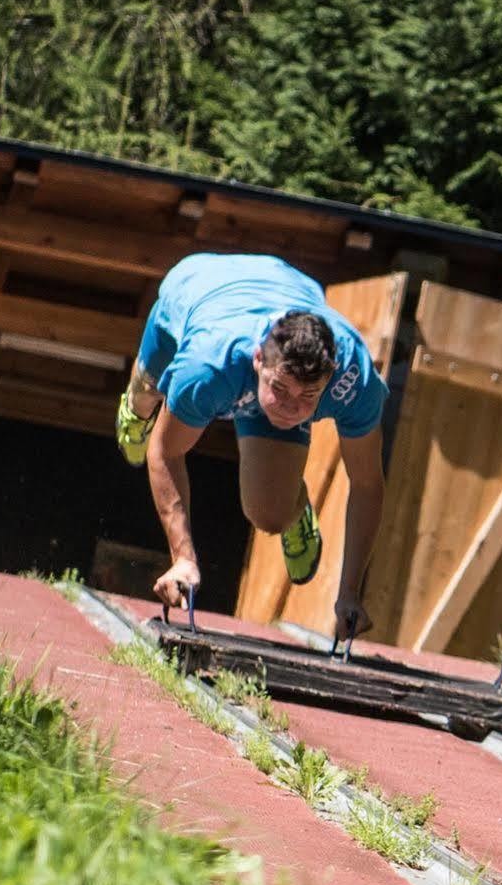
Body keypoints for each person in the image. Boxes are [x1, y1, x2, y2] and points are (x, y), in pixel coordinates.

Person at [116, 253, 385, 642]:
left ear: (329, 379)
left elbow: (367, 483)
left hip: (285, 291)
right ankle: (134, 410)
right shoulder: (208, 366)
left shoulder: (355, 377)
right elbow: (167, 451)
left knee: (270, 514)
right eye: (280, 390)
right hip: (196, 290)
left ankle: (296, 506)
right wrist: (183, 558)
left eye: (308, 396)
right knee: (147, 397)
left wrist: (350, 593)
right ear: (259, 359)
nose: (291, 409)